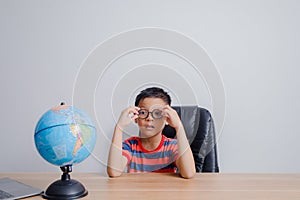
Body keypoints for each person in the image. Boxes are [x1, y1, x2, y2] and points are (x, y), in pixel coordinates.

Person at [107, 87, 196, 178]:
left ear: (167, 119)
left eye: (157, 113)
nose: (149, 118)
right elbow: (114, 172)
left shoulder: (172, 146)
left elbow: (188, 173)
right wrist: (119, 127)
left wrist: (179, 127)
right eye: (143, 112)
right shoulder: (130, 146)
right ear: (136, 118)